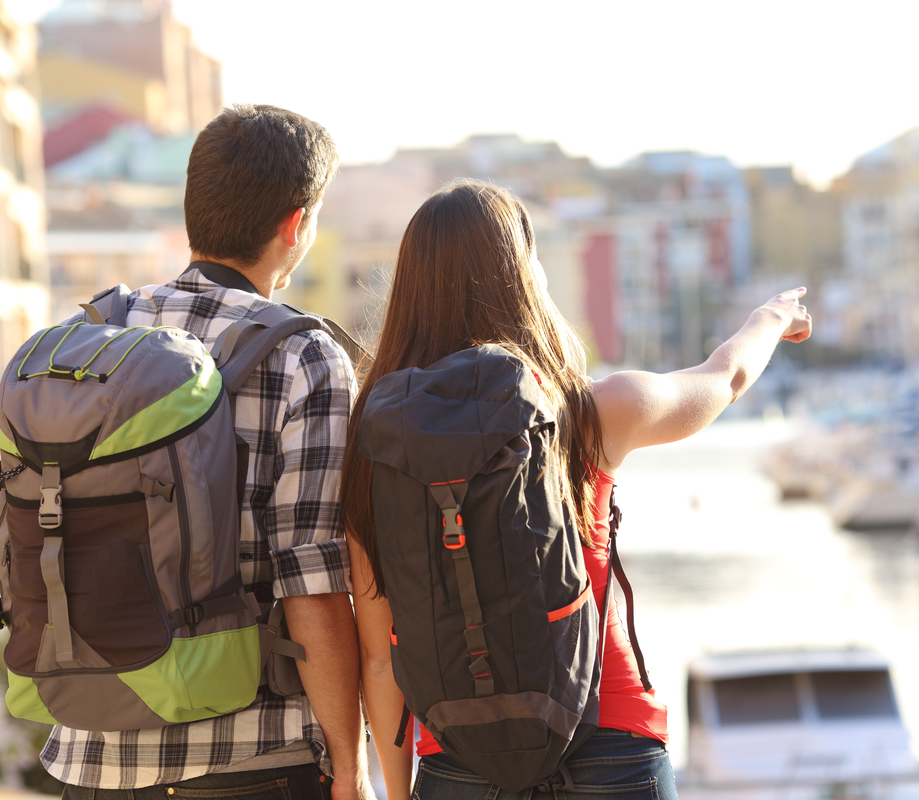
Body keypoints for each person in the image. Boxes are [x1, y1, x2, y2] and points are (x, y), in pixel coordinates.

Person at [340, 179, 812, 799]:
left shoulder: (372, 443)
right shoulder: (587, 412)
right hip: (611, 740)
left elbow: (379, 656)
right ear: (523, 277)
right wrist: (770, 317)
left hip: (460, 760)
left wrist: (397, 796)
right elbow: (724, 377)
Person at [48, 105, 374, 800]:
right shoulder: (303, 356)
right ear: (296, 225)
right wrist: (350, 762)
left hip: (89, 753)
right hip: (251, 757)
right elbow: (311, 581)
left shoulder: (90, 337)